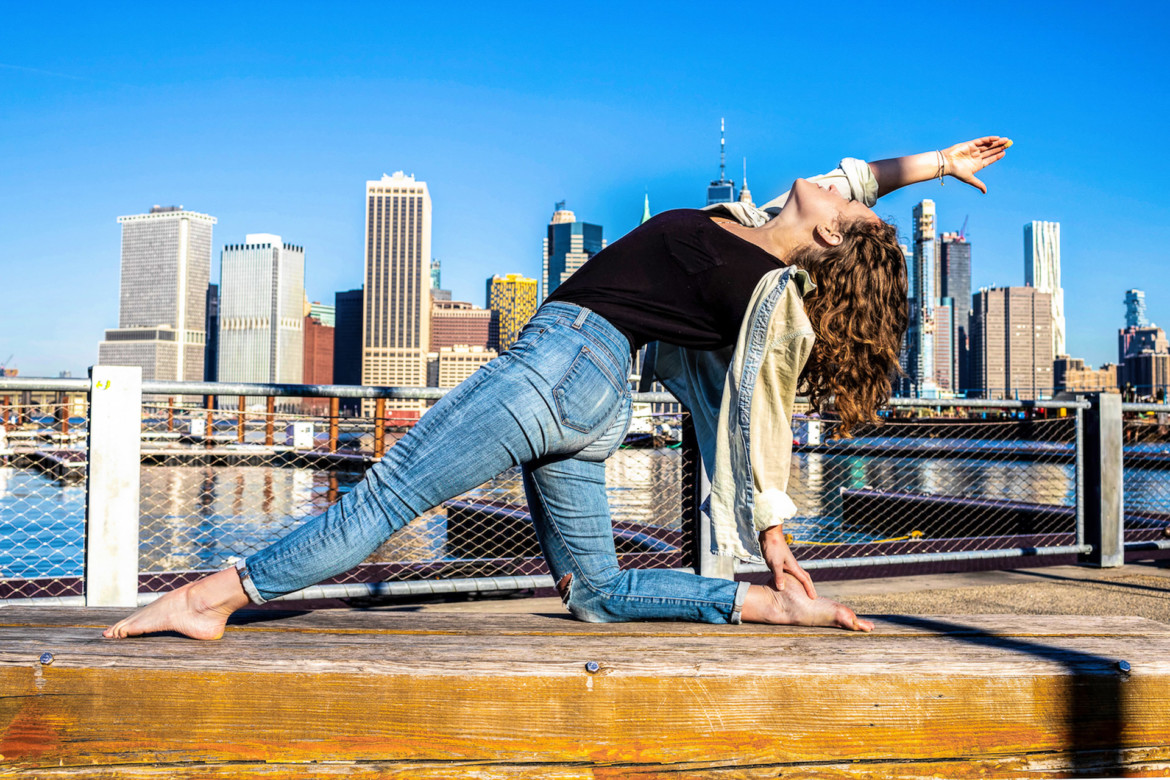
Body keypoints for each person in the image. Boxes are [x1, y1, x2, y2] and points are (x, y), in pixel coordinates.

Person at [105, 136, 1011, 640]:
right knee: (596, 592)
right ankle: (759, 610)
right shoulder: (751, 226)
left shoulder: (763, 295)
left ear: (824, 242)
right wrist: (933, 164)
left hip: (560, 367)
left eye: (843, 205)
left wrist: (772, 532)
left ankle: (211, 596)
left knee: (386, 496)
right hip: (591, 400)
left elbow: (759, 421)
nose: (836, 180)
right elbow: (860, 176)